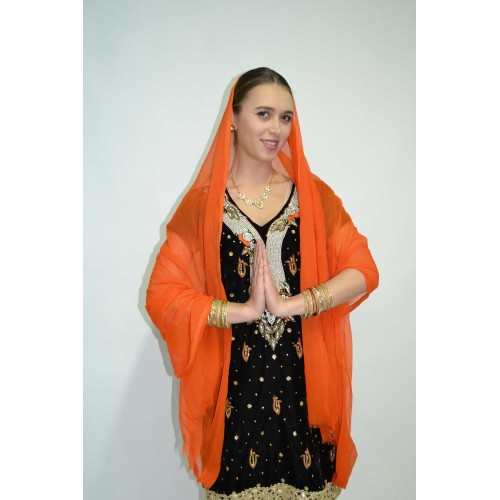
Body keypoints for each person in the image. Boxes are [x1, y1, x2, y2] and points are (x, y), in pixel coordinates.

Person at [146, 67, 379, 499]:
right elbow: (163, 294)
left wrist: (295, 304)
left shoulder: (313, 197)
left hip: (302, 388)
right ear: (233, 119)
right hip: (237, 392)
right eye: (264, 114)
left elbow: (363, 271)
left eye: (286, 117)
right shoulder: (202, 208)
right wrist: (243, 312)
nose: (277, 129)